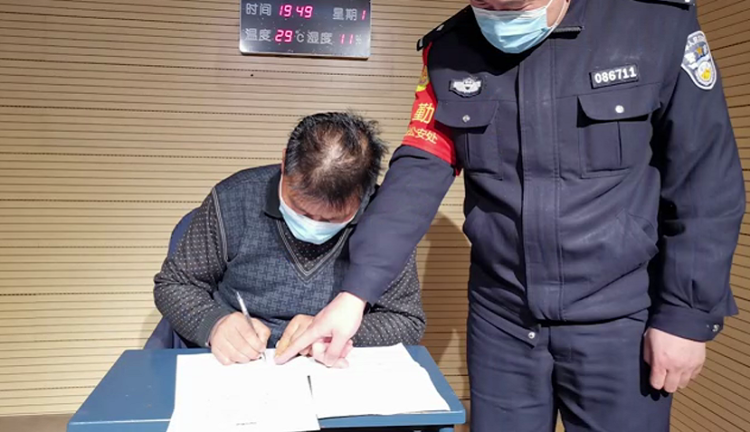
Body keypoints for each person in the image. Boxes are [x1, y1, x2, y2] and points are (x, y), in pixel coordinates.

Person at [276, 0, 745, 430]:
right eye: (485, 2)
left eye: (514, 4)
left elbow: (706, 179)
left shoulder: (655, 26)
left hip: (620, 320)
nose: (499, 15)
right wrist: (355, 294)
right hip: (503, 319)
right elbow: (420, 168)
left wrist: (686, 314)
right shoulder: (450, 50)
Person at [153, 112, 425, 366]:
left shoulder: (385, 223)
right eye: (300, 210)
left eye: (333, 218)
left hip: (328, 366)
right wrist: (214, 323)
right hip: (238, 361)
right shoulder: (234, 199)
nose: (313, 226)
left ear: (363, 192)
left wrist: (336, 333)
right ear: (284, 163)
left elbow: (407, 320)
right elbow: (174, 284)